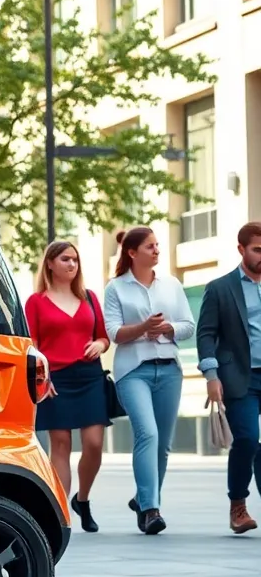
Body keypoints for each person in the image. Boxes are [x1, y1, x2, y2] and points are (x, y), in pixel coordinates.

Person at [103, 227, 194, 535]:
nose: (157, 251)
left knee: (163, 446)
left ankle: (145, 497)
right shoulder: (116, 288)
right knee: (149, 435)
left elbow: (188, 325)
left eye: (157, 246)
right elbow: (114, 333)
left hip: (169, 369)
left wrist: (167, 328)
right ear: (132, 252)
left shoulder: (171, 284)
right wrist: (144, 327)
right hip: (133, 371)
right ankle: (150, 510)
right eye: (150, 246)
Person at [24, 241, 111, 532]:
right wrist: (42, 378)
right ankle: (62, 513)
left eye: (75, 259)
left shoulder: (89, 298)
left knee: (94, 444)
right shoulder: (36, 301)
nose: (72, 264)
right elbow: (31, 345)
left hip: (89, 376)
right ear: (50, 263)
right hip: (54, 380)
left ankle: (82, 499)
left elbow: (103, 337)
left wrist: (99, 344)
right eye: (65, 259)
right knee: (60, 445)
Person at [194, 222, 261, 535]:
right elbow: (206, 334)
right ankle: (238, 505)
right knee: (247, 439)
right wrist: (211, 374)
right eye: (257, 250)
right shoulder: (220, 288)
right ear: (241, 250)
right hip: (240, 378)